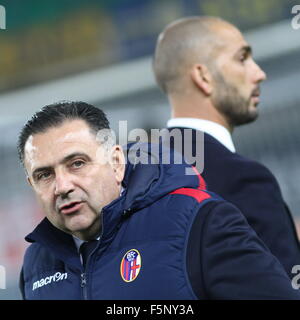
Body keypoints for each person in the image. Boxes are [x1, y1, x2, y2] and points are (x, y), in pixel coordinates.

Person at [18, 101, 300, 300]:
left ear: (116, 163)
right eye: (44, 175)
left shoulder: (200, 222)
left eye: (77, 163)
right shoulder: (36, 264)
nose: (62, 186)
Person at [153, 16, 300, 278]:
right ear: (203, 76)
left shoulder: (140, 173)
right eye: (242, 58)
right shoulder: (243, 179)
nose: (259, 73)